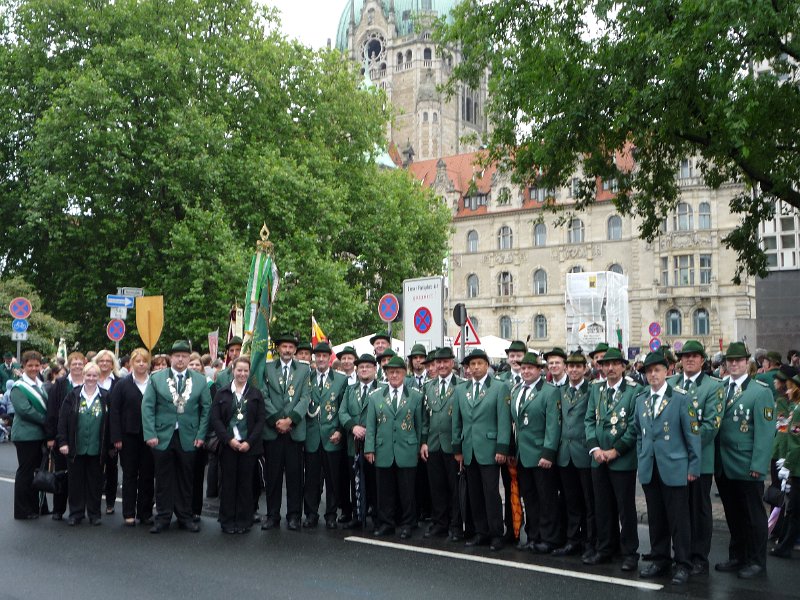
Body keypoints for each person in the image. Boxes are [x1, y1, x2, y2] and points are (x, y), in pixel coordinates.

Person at [633, 351, 701, 585]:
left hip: (675, 467)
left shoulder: (680, 398)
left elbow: (692, 435)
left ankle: (683, 563)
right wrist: (643, 455)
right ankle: (660, 559)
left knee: (679, 519)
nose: (653, 374)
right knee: (656, 518)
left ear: (667, 371)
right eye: (649, 371)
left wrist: (694, 465)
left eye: (657, 370)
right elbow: (638, 433)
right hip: (651, 468)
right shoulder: (641, 399)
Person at [714, 342, 775, 579]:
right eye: (730, 361)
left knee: (753, 516)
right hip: (723, 464)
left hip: (746, 464)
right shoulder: (720, 388)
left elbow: (765, 432)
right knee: (733, 514)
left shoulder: (760, 392)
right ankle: (737, 556)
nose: (734, 364)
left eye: (738, 360)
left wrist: (759, 466)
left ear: (747, 363)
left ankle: (756, 560)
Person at [141, 340, 212, 533]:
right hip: (162, 435)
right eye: (177, 356)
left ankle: (185, 516)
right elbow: (147, 407)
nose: (180, 360)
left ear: (189, 358)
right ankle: (163, 517)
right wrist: (150, 433)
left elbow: (206, 409)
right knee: (163, 479)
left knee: (186, 478)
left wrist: (201, 435)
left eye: (184, 356)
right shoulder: (157, 379)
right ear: (171, 358)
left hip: (189, 436)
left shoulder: (199, 380)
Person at [668, 340, 724, 575]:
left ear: (702, 360)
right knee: (678, 509)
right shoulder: (670, 383)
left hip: (700, 459)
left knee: (699, 509)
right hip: (674, 460)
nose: (689, 359)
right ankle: (681, 554)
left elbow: (711, 426)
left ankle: (699, 556)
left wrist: (684, 448)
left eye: (694, 356)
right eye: (685, 356)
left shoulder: (712, 387)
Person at [583, 347, 641, 571]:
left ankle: (629, 552)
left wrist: (615, 451)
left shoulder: (635, 391)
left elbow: (635, 426)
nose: (610, 368)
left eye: (615, 364)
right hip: (598, 457)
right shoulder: (596, 389)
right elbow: (589, 420)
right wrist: (595, 448)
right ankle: (606, 548)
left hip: (622, 458)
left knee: (625, 508)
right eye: (606, 364)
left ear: (624, 366)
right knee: (602, 506)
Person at [452, 348, 512, 551]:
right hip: (469, 449)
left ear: (487, 365)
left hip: (490, 449)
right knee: (474, 494)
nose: (475, 368)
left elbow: (503, 421)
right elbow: (457, 422)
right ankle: (481, 531)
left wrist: (502, 448)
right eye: (472, 364)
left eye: (479, 363)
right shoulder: (461, 390)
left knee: (491, 493)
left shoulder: (498, 387)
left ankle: (496, 533)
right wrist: (457, 448)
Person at [365, 355, 423, 539]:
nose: (394, 375)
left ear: (405, 373)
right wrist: (369, 448)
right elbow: (371, 425)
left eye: (398, 372)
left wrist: (419, 446)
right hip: (384, 450)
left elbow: (419, 425)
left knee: (407, 491)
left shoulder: (415, 396)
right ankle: (386, 523)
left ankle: (407, 524)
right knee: (385, 490)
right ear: (386, 374)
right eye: (391, 372)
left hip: (407, 449)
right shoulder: (375, 397)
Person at [259, 333, 310, 531]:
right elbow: (263, 395)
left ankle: (294, 516)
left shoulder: (304, 369)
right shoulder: (267, 368)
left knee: (295, 476)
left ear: (295, 350)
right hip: (273, 431)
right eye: (284, 346)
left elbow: (305, 398)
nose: (287, 350)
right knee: (273, 477)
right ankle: (272, 515)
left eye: (291, 347)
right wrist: (276, 421)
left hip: (294, 431)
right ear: (278, 348)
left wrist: (290, 420)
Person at [512, 352, 562, 553]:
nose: (526, 371)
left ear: (539, 370)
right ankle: (533, 536)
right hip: (523, 455)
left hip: (541, 455)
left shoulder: (549, 392)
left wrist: (548, 453)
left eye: (530, 368)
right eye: (523, 368)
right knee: (530, 499)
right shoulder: (516, 390)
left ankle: (550, 538)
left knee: (546, 499)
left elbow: (553, 425)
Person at [210, 356, 265, 533]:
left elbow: (260, 421)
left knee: (245, 485)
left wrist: (249, 442)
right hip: (228, 446)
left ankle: (243, 521)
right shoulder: (222, 393)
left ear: (249, 372)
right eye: (239, 370)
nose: (242, 373)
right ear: (233, 370)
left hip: (248, 447)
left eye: (245, 370)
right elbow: (216, 420)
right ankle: (227, 521)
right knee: (228, 484)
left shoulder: (256, 394)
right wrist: (228, 439)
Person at [57, 362, 111, 526]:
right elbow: (62, 420)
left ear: (99, 377)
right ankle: (76, 513)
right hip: (76, 447)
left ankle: (94, 514)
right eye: (88, 375)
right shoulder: (73, 396)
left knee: (95, 483)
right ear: (83, 376)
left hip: (97, 447)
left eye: (95, 375)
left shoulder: (106, 396)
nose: (91, 378)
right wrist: (63, 442)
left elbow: (111, 421)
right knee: (75, 482)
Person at [420, 347, 464, 540]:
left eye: (446, 362)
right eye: (439, 362)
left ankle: (455, 526)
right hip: (433, 444)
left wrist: (460, 446)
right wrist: (423, 442)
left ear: (452, 363)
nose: (442, 365)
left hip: (452, 446)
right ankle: (439, 523)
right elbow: (424, 418)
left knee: (454, 488)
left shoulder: (462, 385)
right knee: (436, 487)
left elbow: (463, 419)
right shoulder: (428, 386)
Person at [555, 351, 595, 559]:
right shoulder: (560, 391)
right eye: (570, 367)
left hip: (583, 452)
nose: (573, 370)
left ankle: (589, 541)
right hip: (565, 453)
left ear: (585, 369)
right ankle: (572, 539)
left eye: (578, 367)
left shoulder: (591, 390)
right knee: (570, 500)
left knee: (588, 501)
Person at [303, 342, 348, 529]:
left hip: (332, 437)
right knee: (312, 479)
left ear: (330, 358)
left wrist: (339, 430)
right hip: (312, 437)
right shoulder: (306, 378)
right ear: (314, 358)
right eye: (318, 356)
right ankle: (311, 514)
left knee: (332, 479)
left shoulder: (340, 379)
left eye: (324, 356)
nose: (321, 359)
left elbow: (343, 407)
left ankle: (331, 515)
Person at [109, 347, 154, 526]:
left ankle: (145, 512)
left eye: (144, 361)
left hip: (150, 436)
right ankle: (128, 512)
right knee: (129, 475)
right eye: (138, 361)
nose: (141, 364)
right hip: (128, 436)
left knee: (148, 475)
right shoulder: (122, 384)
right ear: (131, 363)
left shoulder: (154, 383)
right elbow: (114, 412)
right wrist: (116, 437)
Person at [339, 353, 382, 529]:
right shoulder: (350, 390)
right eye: (361, 367)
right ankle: (358, 515)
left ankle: (378, 517)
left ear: (375, 369)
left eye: (368, 367)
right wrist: (353, 427)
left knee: (375, 482)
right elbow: (342, 413)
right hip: (354, 443)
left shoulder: (382, 389)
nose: (364, 370)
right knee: (355, 480)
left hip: (375, 445)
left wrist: (369, 431)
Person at [46, 352, 87, 520]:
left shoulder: (90, 382)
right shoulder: (61, 384)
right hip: (62, 436)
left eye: (80, 363)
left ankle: (77, 510)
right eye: (74, 363)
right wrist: (51, 437)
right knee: (61, 474)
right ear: (69, 365)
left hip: (82, 437)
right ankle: (58, 509)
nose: (77, 366)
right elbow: (51, 411)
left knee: (79, 476)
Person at [10, 350, 49, 519]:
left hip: (38, 434)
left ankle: (36, 507)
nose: (34, 368)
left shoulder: (39, 383)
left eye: (37, 365)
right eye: (30, 365)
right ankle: (22, 510)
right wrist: (47, 421)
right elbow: (25, 411)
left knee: (36, 472)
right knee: (25, 473)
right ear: (23, 366)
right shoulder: (18, 387)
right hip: (26, 436)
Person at [770, 372, 800, 558]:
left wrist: (787, 465)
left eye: (790, 387)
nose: (787, 391)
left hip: (797, 467)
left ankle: (786, 546)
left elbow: (795, 441)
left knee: (794, 508)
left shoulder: (797, 410)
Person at [93, 349, 119, 515]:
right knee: (94, 468)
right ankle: (93, 502)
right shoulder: (90, 378)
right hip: (93, 430)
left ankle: (110, 502)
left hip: (111, 431)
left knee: (111, 468)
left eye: (107, 361)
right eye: (101, 361)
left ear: (112, 364)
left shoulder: (118, 382)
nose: (104, 364)